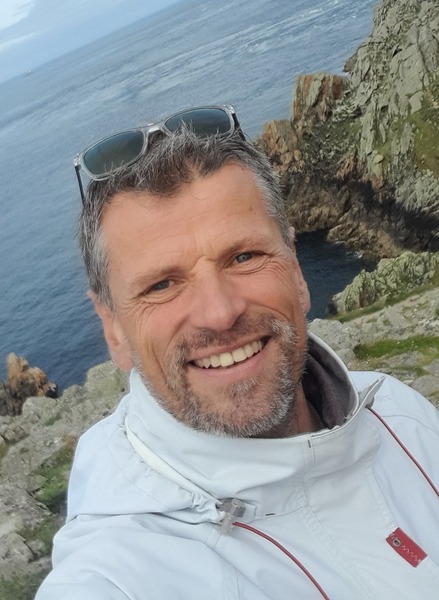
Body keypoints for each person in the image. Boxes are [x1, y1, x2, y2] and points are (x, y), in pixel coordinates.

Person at [36, 105, 439, 599]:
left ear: (296, 269)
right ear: (112, 329)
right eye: (162, 285)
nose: (220, 313)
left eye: (244, 256)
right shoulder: (116, 575)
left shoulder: (401, 415)